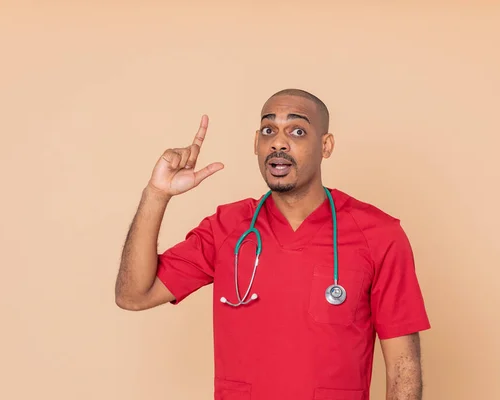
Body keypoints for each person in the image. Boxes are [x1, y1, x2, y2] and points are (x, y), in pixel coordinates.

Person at [115, 88, 431, 400]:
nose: (278, 142)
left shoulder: (378, 235)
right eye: (269, 130)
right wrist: (156, 194)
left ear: (326, 145)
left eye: (296, 130)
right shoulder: (226, 228)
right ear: (256, 143)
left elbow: (403, 368)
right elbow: (133, 295)